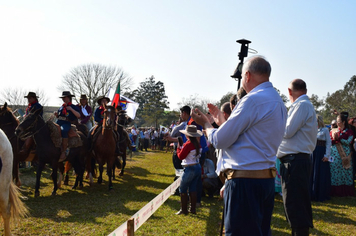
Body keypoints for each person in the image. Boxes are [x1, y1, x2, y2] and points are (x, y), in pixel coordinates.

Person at [191, 56, 287, 236]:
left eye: (242, 76)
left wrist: (205, 124)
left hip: (245, 182)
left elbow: (220, 140)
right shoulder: (277, 101)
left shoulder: (252, 100)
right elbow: (249, 136)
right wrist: (221, 120)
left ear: (248, 75)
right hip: (265, 179)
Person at [277, 79, 317, 236]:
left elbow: (287, 131)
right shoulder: (302, 105)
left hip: (295, 161)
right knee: (294, 206)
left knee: (296, 206)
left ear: (289, 91)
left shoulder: (302, 105)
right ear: (305, 90)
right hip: (295, 161)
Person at [176, 125, 202, 215]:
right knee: (193, 187)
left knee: (183, 188)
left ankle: (184, 210)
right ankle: (193, 209)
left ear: (187, 135)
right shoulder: (197, 144)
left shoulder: (188, 144)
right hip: (197, 166)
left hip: (190, 167)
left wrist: (179, 148)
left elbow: (180, 156)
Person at [329, 114, 354, 196]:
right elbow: (329, 142)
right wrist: (334, 139)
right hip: (335, 153)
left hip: (345, 154)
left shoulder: (349, 131)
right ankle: (335, 191)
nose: (337, 123)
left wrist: (339, 138)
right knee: (334, 170)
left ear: (343, 122)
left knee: (345, 171)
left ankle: (345, 191)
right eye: (336, 121)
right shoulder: (333, 131)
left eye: (338, 121)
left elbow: (349, 142)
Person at [54, 91, 81, 162]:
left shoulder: (73, 106)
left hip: (67, 122)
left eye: (64, 98)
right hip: (59, 122)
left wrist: (71, 109)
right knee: (51, 129)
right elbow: (59, 116)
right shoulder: (61, 107)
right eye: (62, 98)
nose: (63, 99)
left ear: (69, 98)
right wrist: (56, 115)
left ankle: (64, 151)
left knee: (64, 130)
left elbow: (78, 115)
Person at [310, 115, 332, 201]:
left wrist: (327, 155)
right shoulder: (312, 130)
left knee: (321, 173)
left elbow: (328, 143)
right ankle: (312, 192)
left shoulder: (325, 130)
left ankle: (321, 193)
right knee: (312, 172)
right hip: (313, 153)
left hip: (321, 153)